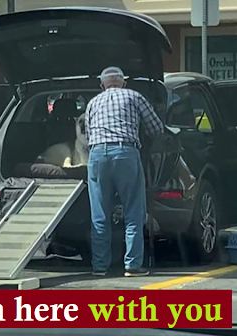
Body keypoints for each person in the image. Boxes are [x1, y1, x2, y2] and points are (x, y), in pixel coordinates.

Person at [84, 66, 164, 277]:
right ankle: (132, 265)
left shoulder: (92, 103)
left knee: (99, 213)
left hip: (97, 155)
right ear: (124, 83)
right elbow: (156, 129)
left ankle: (100, 267)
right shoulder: (134, 96)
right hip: (126, 153)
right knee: (133, 211)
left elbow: (88, 134)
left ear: (102, 86)